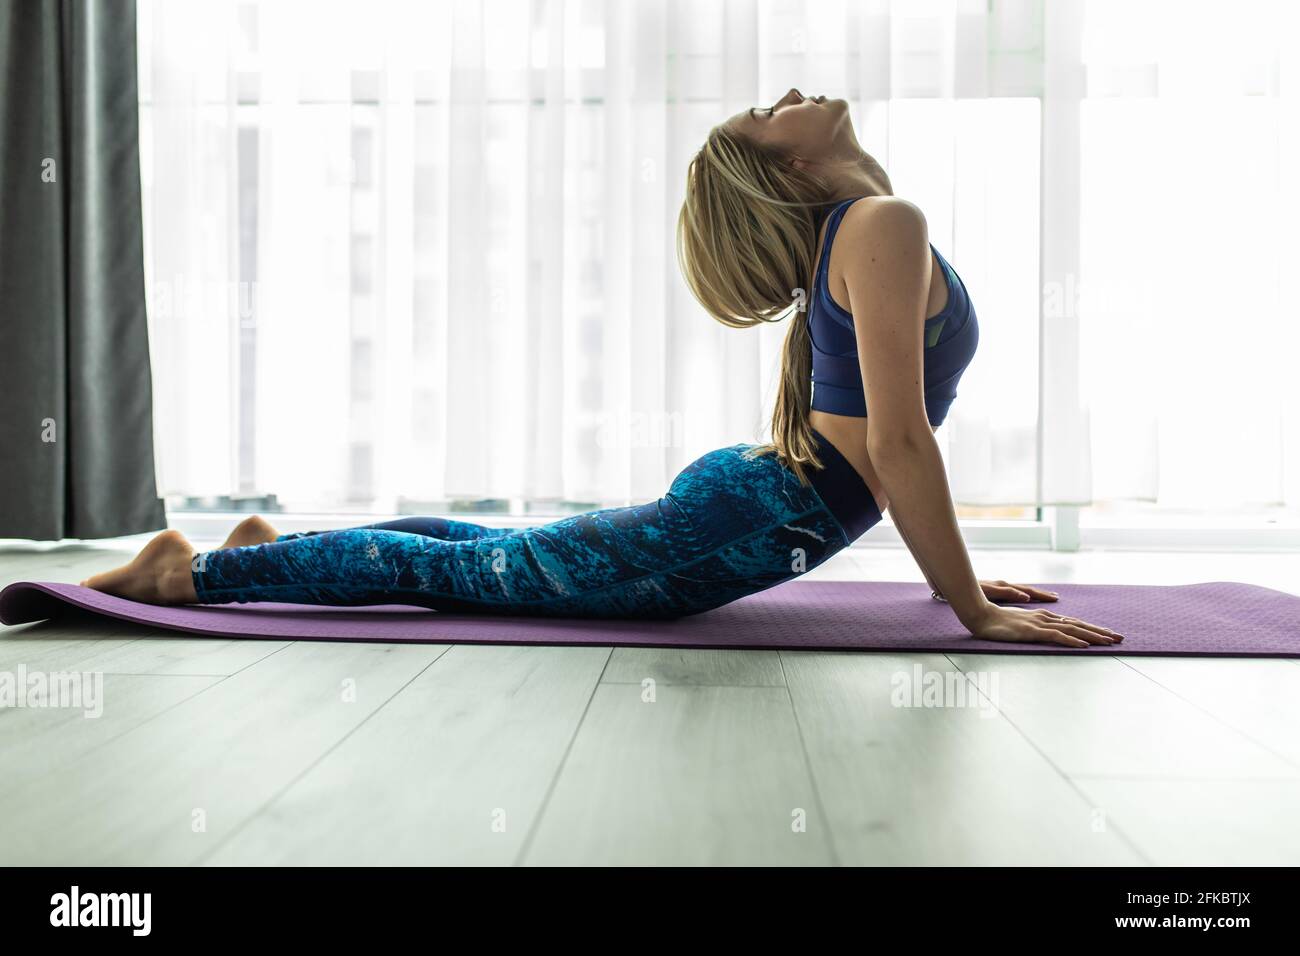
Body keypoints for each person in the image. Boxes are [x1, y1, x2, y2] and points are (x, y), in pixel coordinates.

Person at [85, 88, 1122, 648]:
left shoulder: (866, 227)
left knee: (496, 554)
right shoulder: (881, 222)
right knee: (459, 571)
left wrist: (959, 579)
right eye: (769, 112)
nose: (791, 95)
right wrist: (972, 609)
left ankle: (284, 547)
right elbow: (896, 442)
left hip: (752, 505)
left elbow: (886, 441)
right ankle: (195, 570)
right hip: (749, 513)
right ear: (788, 164)